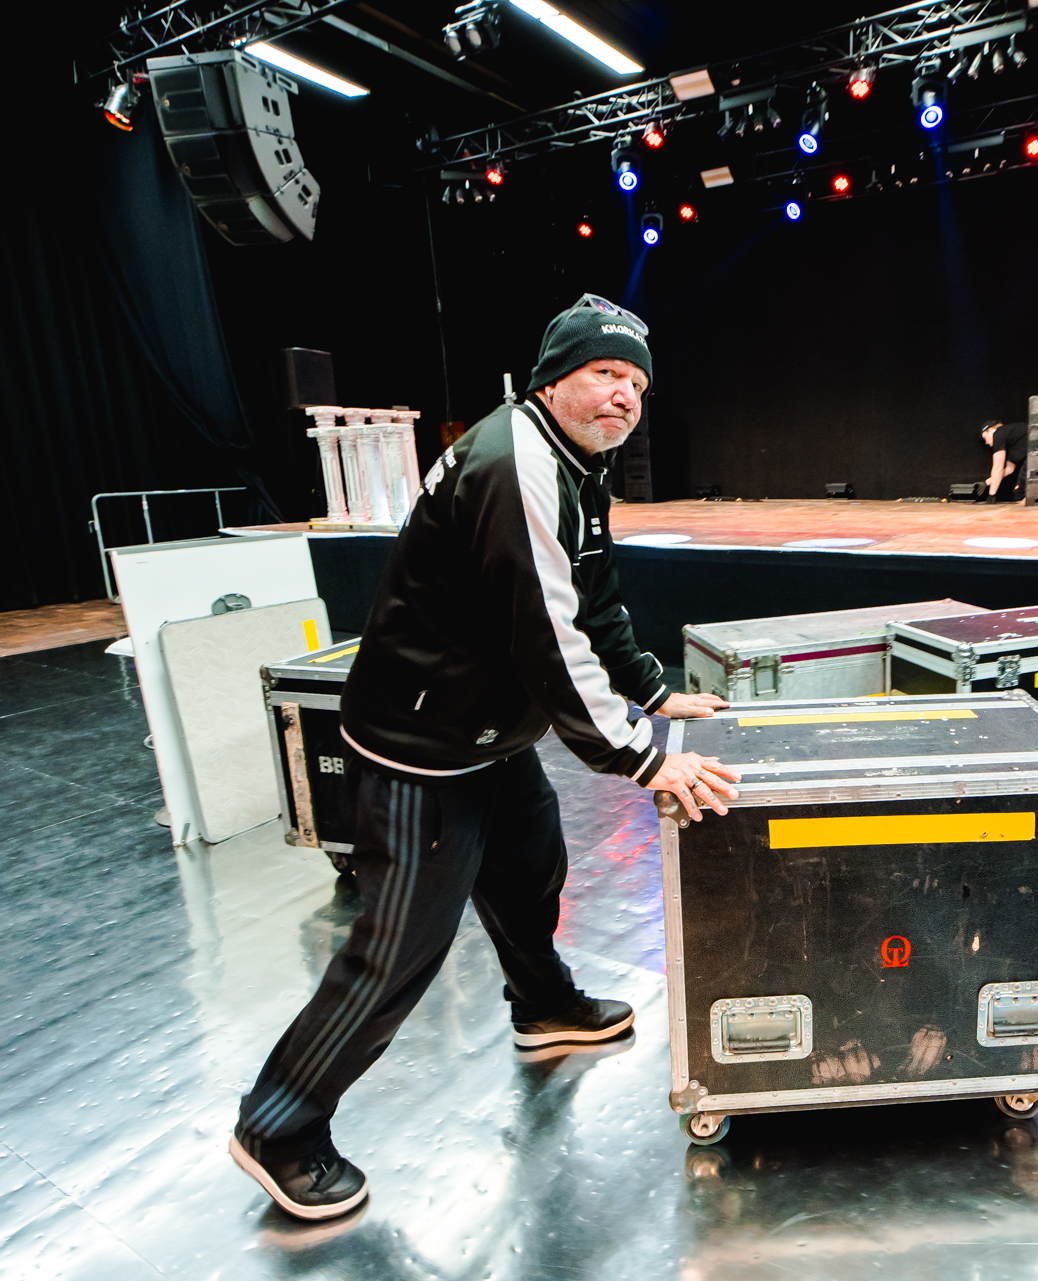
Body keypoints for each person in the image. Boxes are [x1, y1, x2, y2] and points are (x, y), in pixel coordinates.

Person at [229, 294, 741, 1221]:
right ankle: (280, 1125)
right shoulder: (516, 464)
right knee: (400, 949)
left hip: (487, 729)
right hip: (422, 745)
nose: (625, 396)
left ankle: (544, 1007)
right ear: (555, 377)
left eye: (636, 383)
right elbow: (548, 633)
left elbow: (593, 595)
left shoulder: (575, 462)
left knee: (529, 869)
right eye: (606, 373)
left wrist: (654, 689)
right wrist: (643, 756)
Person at [980, 419, 1027, 502]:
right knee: (1019, 494)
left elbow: (998, 467)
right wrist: (986, 483)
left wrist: (991, 496)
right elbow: (1009, 469)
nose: (986, 443)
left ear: (990, 430)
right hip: (1036, 453)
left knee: (1020, 494)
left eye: (985, 438)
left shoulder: (998, 434)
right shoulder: (1011, 439)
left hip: (1036, 453)